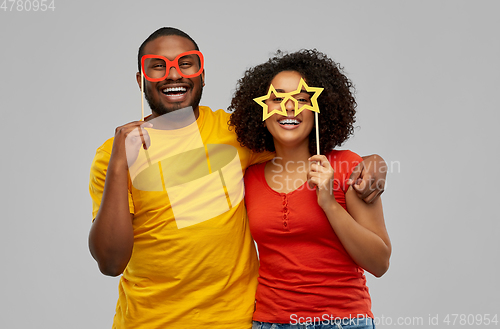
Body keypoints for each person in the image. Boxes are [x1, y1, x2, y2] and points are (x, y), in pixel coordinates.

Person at [88, 27, 387, 328]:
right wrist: (118, 165)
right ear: (141, 80)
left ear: (202, 74)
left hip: (237, 321)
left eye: (186, 63)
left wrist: (374, 162)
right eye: (158, 66)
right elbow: (111, 263)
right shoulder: (112, 156)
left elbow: (294, 140)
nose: (174, 75)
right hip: (147, 322)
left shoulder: (235, 135)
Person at [228, 49, 391, 329]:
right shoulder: (247, 177)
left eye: (301, 99)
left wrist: (329, 203)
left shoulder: (348, 167)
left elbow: (379, 263)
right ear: (261, 111)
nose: (289, 107)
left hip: (343, 321)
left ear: (318, 109)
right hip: (270, 323)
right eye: (277, 99)